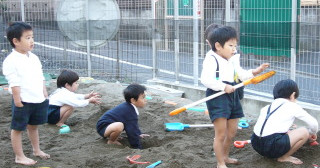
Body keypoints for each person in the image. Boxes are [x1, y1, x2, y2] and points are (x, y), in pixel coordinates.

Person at [201, 25, 269, 168]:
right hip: (217, 96)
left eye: (235, 45)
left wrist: (255, 72)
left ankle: (225, 157)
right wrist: (223, 86)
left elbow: (240, 74)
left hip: (233, 93)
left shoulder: (232, 57)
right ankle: (220, 163)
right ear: (218, 46)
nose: (234, 49)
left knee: (231, 132)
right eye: (231, 45)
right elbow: (205, 80)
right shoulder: (211, 58)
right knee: (220, 134)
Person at [2, 22, 50, 165]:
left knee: (33, 126)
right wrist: (17, 101)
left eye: (32, 37)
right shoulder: (11, 60)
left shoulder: (33, 57)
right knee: (17, 128)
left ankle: (36, 150)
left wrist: (44, 92)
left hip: (38, 98)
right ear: (15, 41)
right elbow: (14, 83)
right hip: (23, 100)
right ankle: (19, 156)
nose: (32, 41)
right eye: (27, 38)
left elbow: (40, 76)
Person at [251, 79, 318, 165]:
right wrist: (312, 132)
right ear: (293, 95)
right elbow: (314, 124)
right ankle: (284, 157)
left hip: (256, 144)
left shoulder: (267, 107)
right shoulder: (292, 106)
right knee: (304, 131)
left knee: (288, 130)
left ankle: (278, 151)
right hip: (271, 147)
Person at [96, 83, 149, 149]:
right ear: (133, 100)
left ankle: (112, 135)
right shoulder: (129, 110)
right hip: (103, 127)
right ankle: (112, 141)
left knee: (121, 125)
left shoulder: (129, 107)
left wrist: (138, 134)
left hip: (108, 125)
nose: (145, 100)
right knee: (119, 126)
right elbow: (131, 132)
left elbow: (133, 125)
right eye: (143, 98)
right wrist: (137, 147)